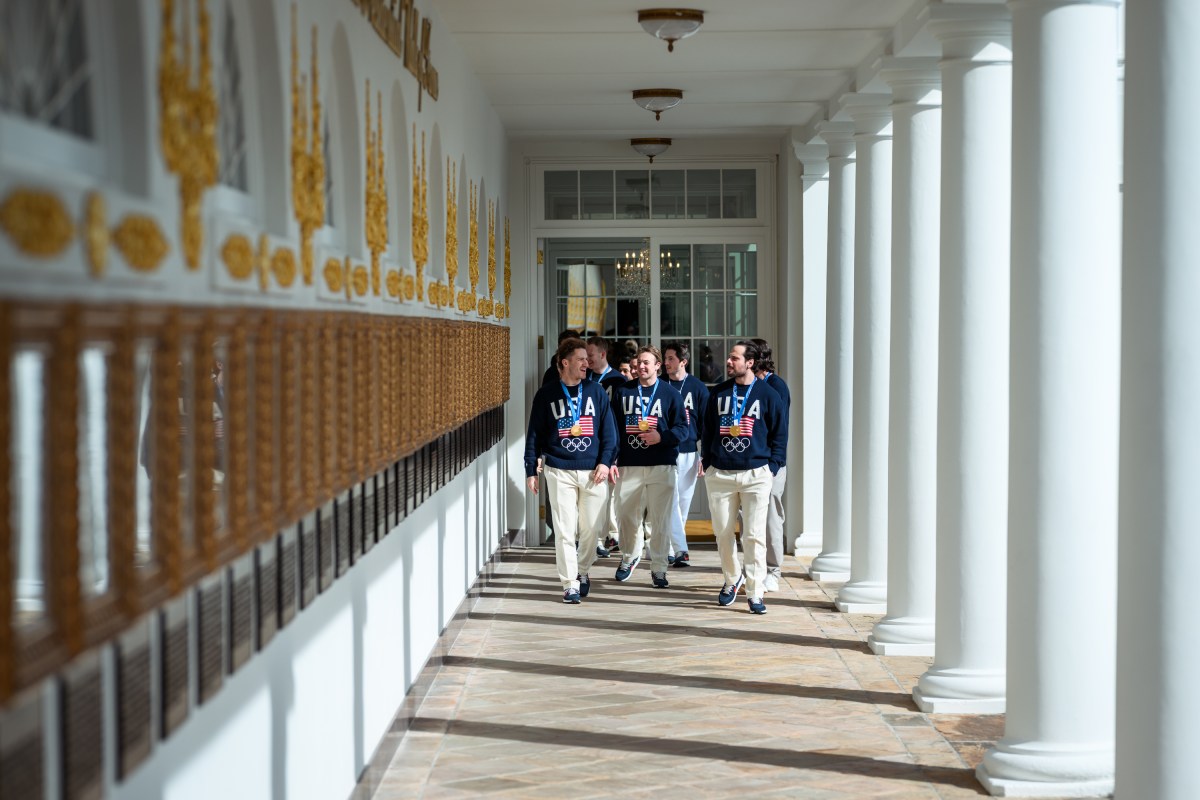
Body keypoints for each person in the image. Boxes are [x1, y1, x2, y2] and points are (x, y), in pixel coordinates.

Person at [524, 338, 617, 603]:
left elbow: (609, 432)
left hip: (593, 471)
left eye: (588, 359)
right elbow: (534, 435)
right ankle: (570, 583)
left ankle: (583, 570)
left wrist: (605, 461)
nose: (587, 363)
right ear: (565, 363)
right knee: (565, 530)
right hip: (559, 469)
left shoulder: (596, 392)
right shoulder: (546, 394)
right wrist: (531, 468)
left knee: (591, 529)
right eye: (581, 359)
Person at [701, 341, 787, 615]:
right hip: (722, 474)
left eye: (734, 358)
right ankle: (731, 579)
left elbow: (779, 434)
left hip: (756, 473)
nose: (728, 361)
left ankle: (755, 591)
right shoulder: (718, 393)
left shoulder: (768, 394)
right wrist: (708, 463)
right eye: (729, 357)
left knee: (753, 536)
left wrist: (772, 466)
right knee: (723, 534)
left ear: (749, 362)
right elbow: (709, 430)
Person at [611, 346, 688, 588]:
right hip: (629, 464)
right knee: (625, 516)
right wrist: (611, 459)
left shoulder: (670, 393)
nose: (642, 367)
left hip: (661, 464)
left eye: (647, 363)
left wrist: (661, 437)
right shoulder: (622, 392)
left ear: (657, 366)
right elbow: (612, 429)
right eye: (639, 363)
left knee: (660, 520)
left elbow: (683, 429)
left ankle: (659, 569)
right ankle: (630, 555)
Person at [662, 341, 708, 568]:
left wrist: (704, 455)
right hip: (665, 450)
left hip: (690, 450)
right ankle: (681, 548)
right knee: (670, 501)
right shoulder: (661, 385)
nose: (666, 363)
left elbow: (708, 424)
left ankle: (669, 548)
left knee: (683, 503)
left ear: (683, 361)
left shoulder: (698, 388)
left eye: (671, 358)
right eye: (665, 358)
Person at [750, 338, 791, 593]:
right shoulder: (746, 386)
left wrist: (774, 465)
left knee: (771, 518)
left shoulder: (777, 387)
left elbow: (780, 430)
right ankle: (754, 568)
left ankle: (773, 571)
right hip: (749, 464)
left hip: (771, 465)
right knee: (750, 520)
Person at [586, 336, 628, 557]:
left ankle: (612, 535)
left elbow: (621, 419)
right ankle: (597, 539)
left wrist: (617, 452)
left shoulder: (618, 381)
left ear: (602, 354)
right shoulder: (585, 377)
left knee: (610, 495)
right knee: (595, 494)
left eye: (590, 355)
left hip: (611, 446)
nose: (587, 359)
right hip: (589, 445)